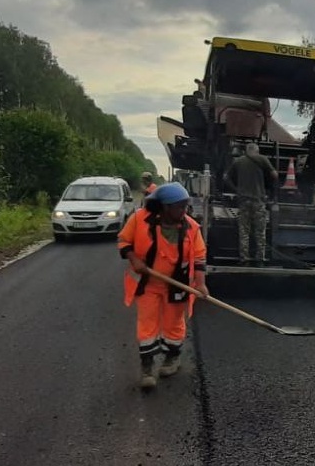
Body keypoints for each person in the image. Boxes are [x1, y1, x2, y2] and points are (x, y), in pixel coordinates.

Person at [117, 182, 208, 391]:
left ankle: (172, 359)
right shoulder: (140, 219)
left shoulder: (191, 227)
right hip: (148, 283)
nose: (184, 211)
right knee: (147, 325)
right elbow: (123, 242)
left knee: (173, 324)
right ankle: (147, 369)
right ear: (165, 207)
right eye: (179, 207)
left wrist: (201, 284)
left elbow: (200, 257)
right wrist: (134, 260)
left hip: (177, 285)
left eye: (186, 206)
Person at [222, 142, 277, 265]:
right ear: (256, 150)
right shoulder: (262, 159)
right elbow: (274, 175)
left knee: (244, 231)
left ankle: (244, 258)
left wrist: (236, 190)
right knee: (260, 231)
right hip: (258, 201)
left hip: (243, 200)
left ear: (246, 151)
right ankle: (260, 259)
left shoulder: (238, 161)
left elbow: (225, 177)